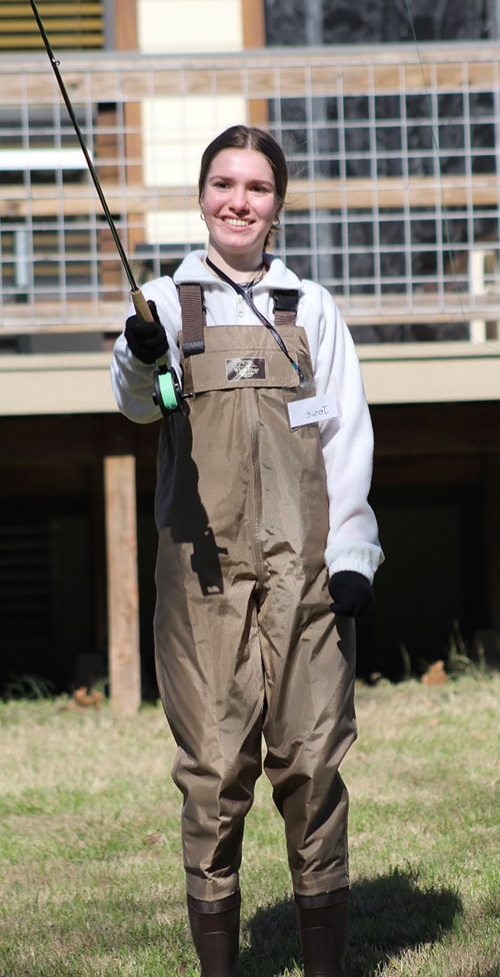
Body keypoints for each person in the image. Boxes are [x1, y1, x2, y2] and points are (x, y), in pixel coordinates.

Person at [110, 124, 384, 977]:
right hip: (203, 585)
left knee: (310, 765)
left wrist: (352, 550)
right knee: (215, 773)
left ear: (278, 205)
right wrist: (140, 353)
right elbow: (138, 403)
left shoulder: (314, 309)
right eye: (224, 184)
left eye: (257, 188)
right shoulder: (165, 301)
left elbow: (346, 437)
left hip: (307, 582)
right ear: (201, 198)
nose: (239, 200)